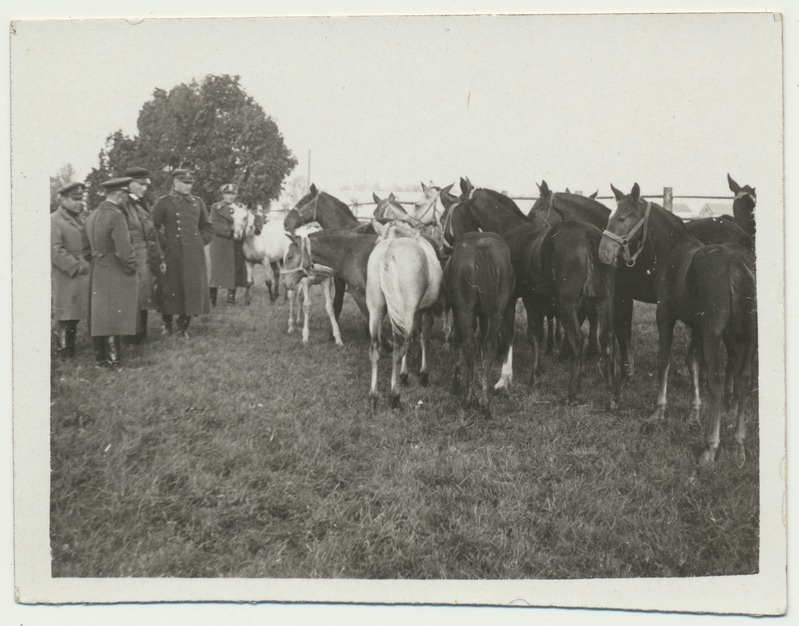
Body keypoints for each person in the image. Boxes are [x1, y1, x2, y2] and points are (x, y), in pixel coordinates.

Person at [151, 168, 214, 337]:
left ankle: (183, 326)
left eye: (190, 183)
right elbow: (153, 228)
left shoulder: (198, 202)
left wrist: (201, 241)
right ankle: (167, 322)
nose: (188, 186)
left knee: (192, 288)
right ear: (175, 183)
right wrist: (165, 243)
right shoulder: (164, 202)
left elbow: (207, 226)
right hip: (172, 252)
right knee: (170, 287)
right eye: (185, 183)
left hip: (194, 254)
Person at [84, 177, 139, 369]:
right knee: (114, 315)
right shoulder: (116, 216)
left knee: (99, 314)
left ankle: (101, 359)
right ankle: (115, 362)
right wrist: (131, 267)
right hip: (114, 269)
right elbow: (124, 250)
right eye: (125, 195)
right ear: (120, 194)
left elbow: (85, 250)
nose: (127, 199)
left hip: (97, 269)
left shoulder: (92, 215)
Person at [122, 166, 163, 343]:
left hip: (145, 256)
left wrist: (158, 256)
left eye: (145, 185)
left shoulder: (142, 203)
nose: (143, 188)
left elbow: (151, 232)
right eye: (140, 184)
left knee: (144, 294)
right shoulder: (123, 204)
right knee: (133, 296)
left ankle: (140, 334)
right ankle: (131, 336)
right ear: (128, 184)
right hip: (133, 256)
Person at [51, 182, 91, 359]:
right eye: (75, 199)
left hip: (82, 273)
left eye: (81, 199)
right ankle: (65, 351)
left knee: (74, 312)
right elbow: (55, 250)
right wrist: (76, 266)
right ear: (63, 199)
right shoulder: (54, 220)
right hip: (67, 274)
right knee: (66, 312)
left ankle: (69, 348)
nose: (79, 202)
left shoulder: (79, 218)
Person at [208, 183, 239, 306]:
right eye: (228, 193)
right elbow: (214, 225)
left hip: (235, 243)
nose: (231, 196)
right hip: (219, 243)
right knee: (216, 270)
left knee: (233, 270)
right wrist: (230, 228)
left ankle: (230, 299)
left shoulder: (239, 207)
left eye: (233, 193)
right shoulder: (216, 207)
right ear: (223, 195)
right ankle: (212, 299)